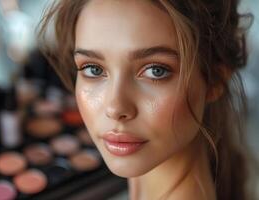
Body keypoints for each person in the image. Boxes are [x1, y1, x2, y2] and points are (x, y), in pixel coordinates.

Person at [38, 0, 255, 199]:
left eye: (156, 71)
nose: (115, 108)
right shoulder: (148, 164)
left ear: (215, 80)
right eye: (93, 69)